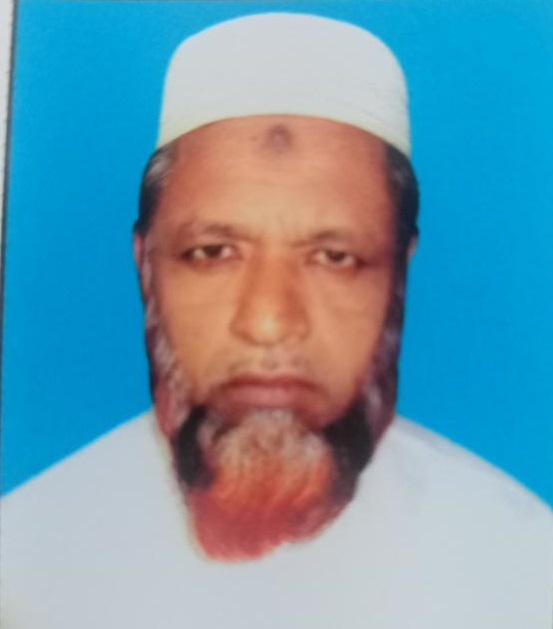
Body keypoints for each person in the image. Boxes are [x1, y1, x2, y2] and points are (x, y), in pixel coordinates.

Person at [2, 12, 552, 629]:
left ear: (399, 270)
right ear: (146, 266)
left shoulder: (523, 575)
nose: (268, 322)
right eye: (213, 252)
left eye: (334, 257)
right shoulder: (21, 571)